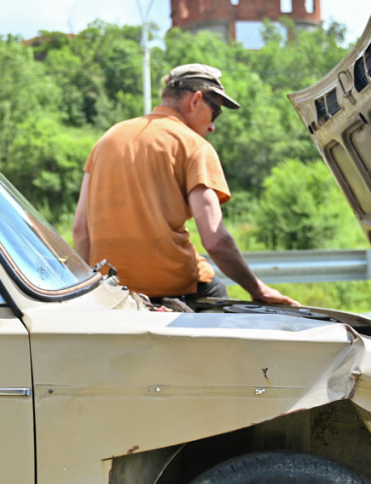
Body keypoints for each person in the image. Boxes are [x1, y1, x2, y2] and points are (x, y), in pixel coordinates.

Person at [71, 63, 297, 307]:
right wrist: (258, 289)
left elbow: (80, 230)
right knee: (217, 295)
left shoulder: (107, 139)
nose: (212, 126)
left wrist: (90, 292)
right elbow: (215, 241)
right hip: (176, 286)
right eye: (216, 113)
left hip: (109, 288)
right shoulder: (194, 146)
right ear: (196, 100)